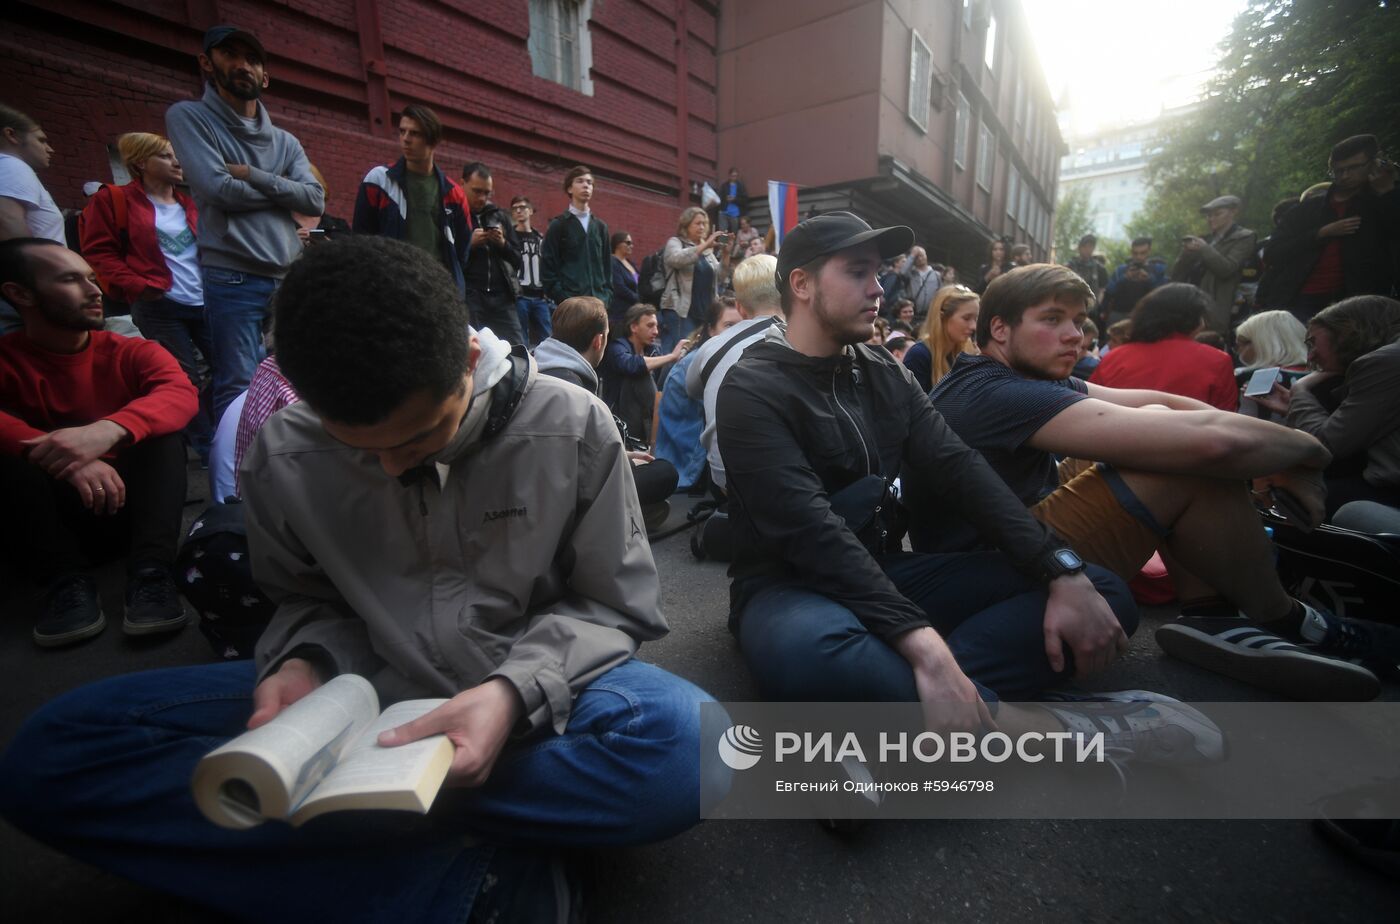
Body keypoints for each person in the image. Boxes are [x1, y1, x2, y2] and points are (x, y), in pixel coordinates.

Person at [0, 235, 715, 921]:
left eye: (420, 435)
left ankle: (348, 851)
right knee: (50, 756)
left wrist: (508, 695)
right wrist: (303, 661)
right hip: (360, 699)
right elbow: (304, 599)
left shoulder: (571, 422)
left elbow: (612, 605)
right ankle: (466, 876)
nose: (396, 467)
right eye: (361, 449)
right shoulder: (284, 450)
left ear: (469, 359)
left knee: (691, 749)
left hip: (537, 691)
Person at [714, 211, 1224, 758]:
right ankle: (1049, 728)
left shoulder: (883, 371)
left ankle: (909, 719)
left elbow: (961, 470)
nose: (879, 286)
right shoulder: (752, 385)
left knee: (1097, 594)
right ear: (802, 284)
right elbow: (810, 532)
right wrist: (925, 647)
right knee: (820, 659)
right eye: (858, 272)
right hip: (788, 587)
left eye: (879, 272)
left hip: (882, 573)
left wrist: (1058, 567)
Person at [909, 263, 1395, 702]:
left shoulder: (1023, 376)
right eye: (1052, 320)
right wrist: (1312, 454)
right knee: (1176, 460)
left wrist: (1277, 457)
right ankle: (1288, 621)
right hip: (987, 570)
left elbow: (1166, 406)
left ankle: (1215, 617)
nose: (1073, 336)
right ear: (999, 328)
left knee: (1167, 432)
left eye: (1078, 322)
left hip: (1010, 544)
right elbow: (1214, 444)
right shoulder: (996, 390)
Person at [0, 238, 196, 646]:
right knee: (7, 456)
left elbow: (180, 392)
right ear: (19, 294)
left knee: (162, 434)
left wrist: (106, 431)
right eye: (71, 280)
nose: (94, 290)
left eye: (92, 277)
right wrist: (70, 457)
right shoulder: (7, 359)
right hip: (43, 524)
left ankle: (151, 573)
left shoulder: (131, 351)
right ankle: (63, 584)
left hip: (125, 512)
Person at [165, 25, 324, 424]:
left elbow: (315, 198)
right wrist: (283, 192)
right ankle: (233, 483)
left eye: (252, 59)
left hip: (287, 275)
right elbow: (218, 189)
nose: (242, 65)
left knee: (300, 376)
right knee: (237, 384)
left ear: (265, 76)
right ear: (206, 62)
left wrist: (253, 175)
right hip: (232, 276)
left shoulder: (285, 142)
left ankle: (289, 470)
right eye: (230, 54)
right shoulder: (191, 118)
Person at [79, 132, 212, 461]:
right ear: (141, 163)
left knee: (229, 369)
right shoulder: (113, 200)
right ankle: (208, 451)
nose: (177, 162)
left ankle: (222, 434)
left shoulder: (189, 202)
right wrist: (141, 286)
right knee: (185, 379)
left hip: (206, 301)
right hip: (159, 306)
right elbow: (99, 254)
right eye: (166, 156)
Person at [532, 295, 680, 529]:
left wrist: (625, 455)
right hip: (564, 495)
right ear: (599, 341)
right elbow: (582, 464)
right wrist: (623, 461)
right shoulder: (577, 391)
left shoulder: (535, 365)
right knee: (664, 473)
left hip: (535, 485)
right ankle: (617, 518)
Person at [1256, 295, 1400, 517]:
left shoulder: (1382, 363)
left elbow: (1324, 445)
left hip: (1390, 491)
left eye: (1312, 342)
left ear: (1346, 332)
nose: (1310, 355)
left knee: (1287, 492)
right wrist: (1294, 407)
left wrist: (1300, 391)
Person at [1264, 134, 1399, 323]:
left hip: (1361, 302)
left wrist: (1386, 192)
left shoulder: (1382, 201)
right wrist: (1321, 233)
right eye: (1338, 170)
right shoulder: (1307, 209)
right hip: (1300, 300)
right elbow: (1272, 253)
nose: (1344, 176)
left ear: (1374, 164)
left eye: (1353, 168)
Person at [686, 254, 782, 494]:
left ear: (739, 306)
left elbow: (692, 389)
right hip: (781, 481)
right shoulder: (803, 340)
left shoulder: (712, 346)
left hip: (723, 475)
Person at [352, 104, 471, 292]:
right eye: (402, 131)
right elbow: (361, 237)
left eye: (415, 134)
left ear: (432, 141)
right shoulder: (379, 180)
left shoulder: (454, 193)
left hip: (438, 288)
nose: (405, 139)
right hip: (391, 285)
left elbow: (463, 250)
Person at [1090, 283, 1239, 411]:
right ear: (1196, 320)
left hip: (1115, 440)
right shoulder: (1217, 361)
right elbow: (1227, 419)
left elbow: (1088, 405)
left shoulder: (1114, 357)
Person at [654, 296, 741, 491]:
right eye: (729, 325)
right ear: (711, 330)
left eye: (741, 326)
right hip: (688, 457)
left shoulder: (717, 355)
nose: (736, 332)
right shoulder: (699, 362)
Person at [0, 103, 62, 334]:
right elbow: (8, 224)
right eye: (41, 140)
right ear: (11, 135)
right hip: (29, 296)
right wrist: (38, 289)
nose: (50, 149)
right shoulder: (11, 166)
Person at [600, 302, 687, 448]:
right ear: (634, 327)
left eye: (656, 326)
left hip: (645, 417)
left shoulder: (653, 350)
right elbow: (631, 365)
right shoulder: (616, 347)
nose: (656, 331)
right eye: (650, 326)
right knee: (641, 373)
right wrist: (672, 356)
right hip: (619, 418)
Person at [1171, 195, 1257, 337]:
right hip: (1191, 306)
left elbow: (1226, 269)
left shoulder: (1245, 237)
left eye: (1217, 214)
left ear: (1233, 212)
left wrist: (1204, 248)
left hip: (1218, 309)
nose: (1211, 219)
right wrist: (1186, 254)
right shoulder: (1205, 239)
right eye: (1209, 216)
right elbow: (1176, 276)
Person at [460, 162, 524, 346]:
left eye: (487, 193)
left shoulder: (499, 215)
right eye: (477, 191)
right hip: (472, 295)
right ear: (462, 184)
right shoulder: (454, 214)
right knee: (475, 350)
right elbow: (446, 258)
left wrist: (502, 243)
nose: (482, 198)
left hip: (502, 296)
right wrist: (469, 245)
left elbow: (517, 259)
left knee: (518, 349)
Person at [540, 165, 612, 315]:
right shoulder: (559, 225)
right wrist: (565, 299)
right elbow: (548, 270)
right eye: (580, 181)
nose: (586, 185)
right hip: (571, 306)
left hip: (598, 305)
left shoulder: (600, 227)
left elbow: (607, 268)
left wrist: (606, 298)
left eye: (589, 182)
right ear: (569, 188)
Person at [660, 206, 724, 354]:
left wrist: (726, 255)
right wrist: (705, 245)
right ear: (686, 224)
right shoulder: (675, 242)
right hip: (681, 310)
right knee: (680, 353)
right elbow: (675, 259)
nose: (702, 227)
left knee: (702, 352)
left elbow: (720, 276)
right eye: (697, 223)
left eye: (704, 223)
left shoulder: (708, 250)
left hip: (706, 310)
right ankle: (668, 378)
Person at [901, 284, 979, 392]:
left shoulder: (966, 353)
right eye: (966, 318)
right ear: (942, 317)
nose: (973, 326)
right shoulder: (919, 356)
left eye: (975, 319)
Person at [1234, 309, 1308, 421]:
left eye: (1241, 343)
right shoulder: (1323, 374)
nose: (1238, 350)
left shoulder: (1251, 376)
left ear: (1261, 344)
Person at [511, 195, 552, 348]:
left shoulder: (540, 239)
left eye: (522, 207)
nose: (519, 211)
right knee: (521, 339)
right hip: (519, 295)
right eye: (515, 209)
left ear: (530, 211)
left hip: (540, 297)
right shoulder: (511, 237)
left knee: (547, 338)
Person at [1099, 237, 1167, 329]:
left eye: (1143, 253)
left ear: (1149, 251)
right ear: (1131, 252)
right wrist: (1124, 278)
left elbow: (1162, 294)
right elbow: (1109, 291)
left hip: (1145, 317)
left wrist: (1149, 279)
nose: (1139, 257)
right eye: (1135, 253)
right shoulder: (1121, 270)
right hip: (1119, 314)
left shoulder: (1157, 271)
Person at [899, 246, 941, 321]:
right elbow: (902, 272)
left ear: (926, 256)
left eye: (922, 255)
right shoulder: (911, 273)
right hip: (912, 314)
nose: (920, 258)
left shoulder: (936, 275)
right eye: (917, 257)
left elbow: (940, 294)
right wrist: (912, 255)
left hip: (930, 315)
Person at [1064, 234, 1108, 304]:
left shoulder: (1100, 268)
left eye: (1091, 247)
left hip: (1092, 308)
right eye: (1085, 246)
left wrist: (1097, 303)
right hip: (1072, 303)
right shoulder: (1070, 266)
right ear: (1079, 248)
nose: (1087, 249)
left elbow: (1102, 289)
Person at [610, 229, 639, 317]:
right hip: (620, 313)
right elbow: (619, 287)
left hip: (634, 311)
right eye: (628, 243)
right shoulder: (612, 261)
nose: (631, 246)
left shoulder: (631, 263)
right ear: (618, 244)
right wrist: (638, 299)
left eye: (632, 243)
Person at [717, 166, 747, 234]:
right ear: (729, 176)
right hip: (724, 211)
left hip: (735, 213)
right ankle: (722, 244)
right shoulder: (724, 185)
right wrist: (725, 199)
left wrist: (734, 199)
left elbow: (744, 199)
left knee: (734, 232)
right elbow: (719, 198)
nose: (734, 177)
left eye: (735, 176)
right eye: (732, 176)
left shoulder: (740, 186)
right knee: (722, 232)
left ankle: (733, 244)